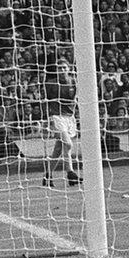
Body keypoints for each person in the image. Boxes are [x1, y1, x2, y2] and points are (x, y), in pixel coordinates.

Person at [44, 58, 82, 187]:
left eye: (64, 68)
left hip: (70, 118)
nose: (62, 70)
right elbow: (45, 101)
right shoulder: (50, 84)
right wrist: (48, 119)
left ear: (69, 69)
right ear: (56, 70)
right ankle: (70, 173)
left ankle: (47, 176)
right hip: (57, 117)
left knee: (58, 149)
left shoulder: (74, 82)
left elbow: (76, 99)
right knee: (68, 144)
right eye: (60, 68)